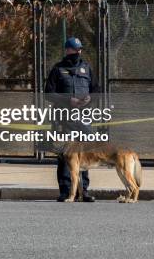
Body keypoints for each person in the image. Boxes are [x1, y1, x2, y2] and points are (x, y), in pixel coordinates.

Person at [44, 37, 98, 202]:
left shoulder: (86, 68)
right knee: (65, 155)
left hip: (83, 117)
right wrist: (68, 101)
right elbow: (49, 93)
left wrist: (90, 98)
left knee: (84, 154)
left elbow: (96, 89)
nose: (78, 52)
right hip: (63, 118)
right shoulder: (58, 69)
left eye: (80, 49)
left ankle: (84, 191)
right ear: (67, 50)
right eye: (75, 49)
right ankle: (65, 191)